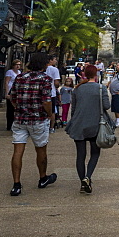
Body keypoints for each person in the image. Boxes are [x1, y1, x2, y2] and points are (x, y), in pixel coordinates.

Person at [7, 51, 58, 196]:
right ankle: (43, 178)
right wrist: (49, 114)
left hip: (20, 119)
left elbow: (13, 97)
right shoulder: (45, 79)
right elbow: (46, 100)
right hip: (38, 119)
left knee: (18, 151)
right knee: (41, 149)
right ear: (44, 64)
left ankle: (16, 184)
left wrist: (19, 108)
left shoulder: (20, 77)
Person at [65, 64, 110, 194]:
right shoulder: (100, 88)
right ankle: (88, 177)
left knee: (80, 155)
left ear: (84, 74)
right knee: (95, 153)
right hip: (95, 124)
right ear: (96, 75)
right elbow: (106, 106)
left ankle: (82, 182)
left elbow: (73, 109)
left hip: (79, 124)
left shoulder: (77, 89)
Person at [5, 60, 22, 131]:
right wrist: (6, 93)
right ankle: (9, 125)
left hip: (17, 91)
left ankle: (15, 124)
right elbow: (6, 82)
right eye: (16, 64)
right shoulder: (9, 72)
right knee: (10, 109)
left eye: (19, 65)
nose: (18, 66)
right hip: (10, 91)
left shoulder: (20, 73)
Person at [46, 55, 61, 130]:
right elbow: (56, 82)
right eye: (55, 59)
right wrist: (57, 86)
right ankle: (51, 127)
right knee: (52, 111)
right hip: (52, 93)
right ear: (50, 60)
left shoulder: (42, 69)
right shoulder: (54, 69)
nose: (56, 61)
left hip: (43, 93)